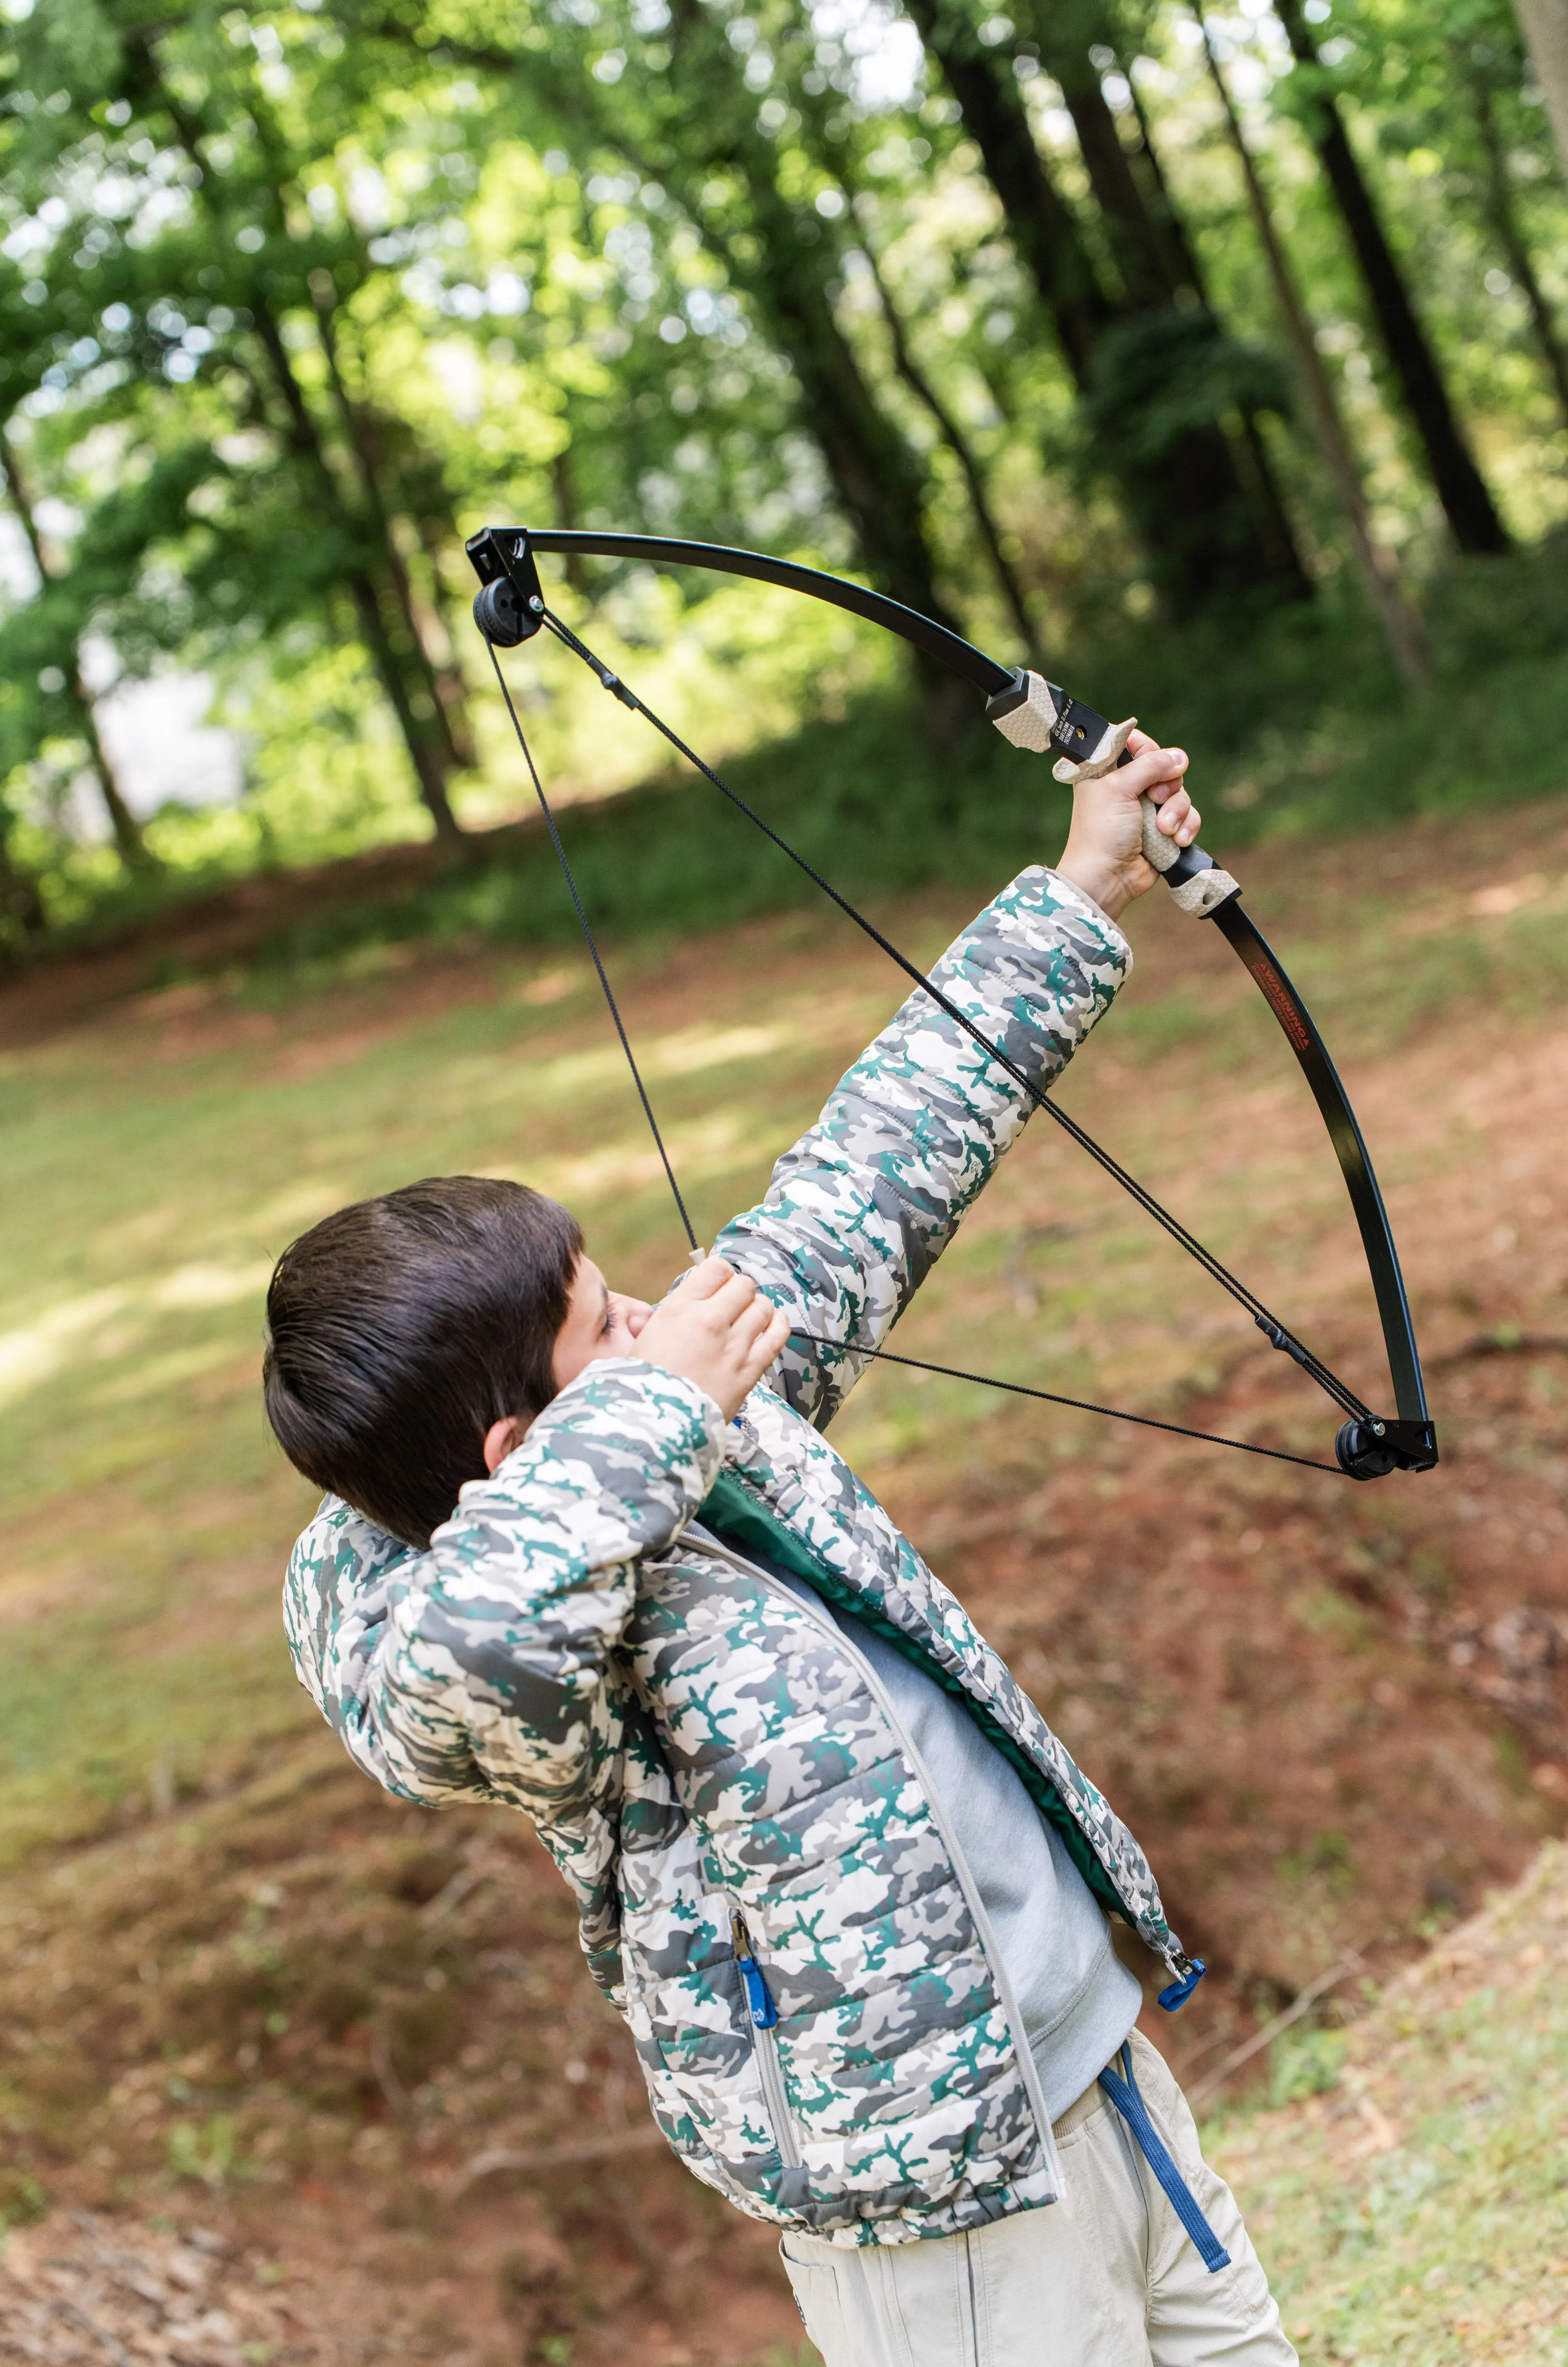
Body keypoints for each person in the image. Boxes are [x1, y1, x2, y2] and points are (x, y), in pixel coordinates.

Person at [266, 737, 1296, 2367]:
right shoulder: (497, 1652)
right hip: (930, 2192)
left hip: (1089, 2058)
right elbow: (467, 1657)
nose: (659, 1318)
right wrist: (656, 1409)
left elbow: (864, 1177)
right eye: (607, 1327)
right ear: (521, 1455)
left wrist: (1081, 886)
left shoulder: (694, 1402)